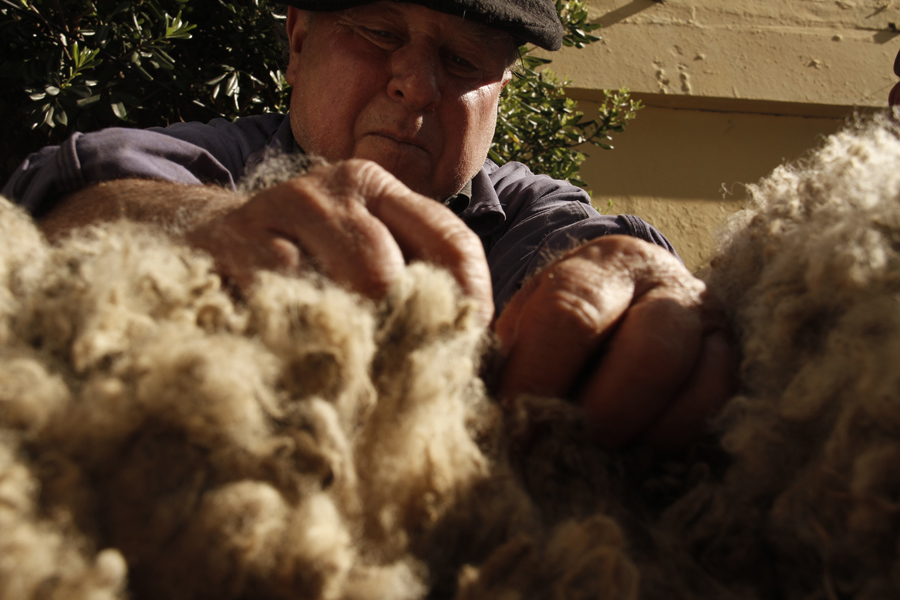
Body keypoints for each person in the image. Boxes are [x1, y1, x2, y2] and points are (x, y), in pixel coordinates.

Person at [2, 0, 737, 450]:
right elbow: (81, 183)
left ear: (501, 92)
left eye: (461, 58)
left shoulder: (521, 212)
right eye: (379, 31)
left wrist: (631, 286)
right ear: (297, 41)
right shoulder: (212, 162)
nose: (416, 83)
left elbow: (582, 243)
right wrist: (210, 227)